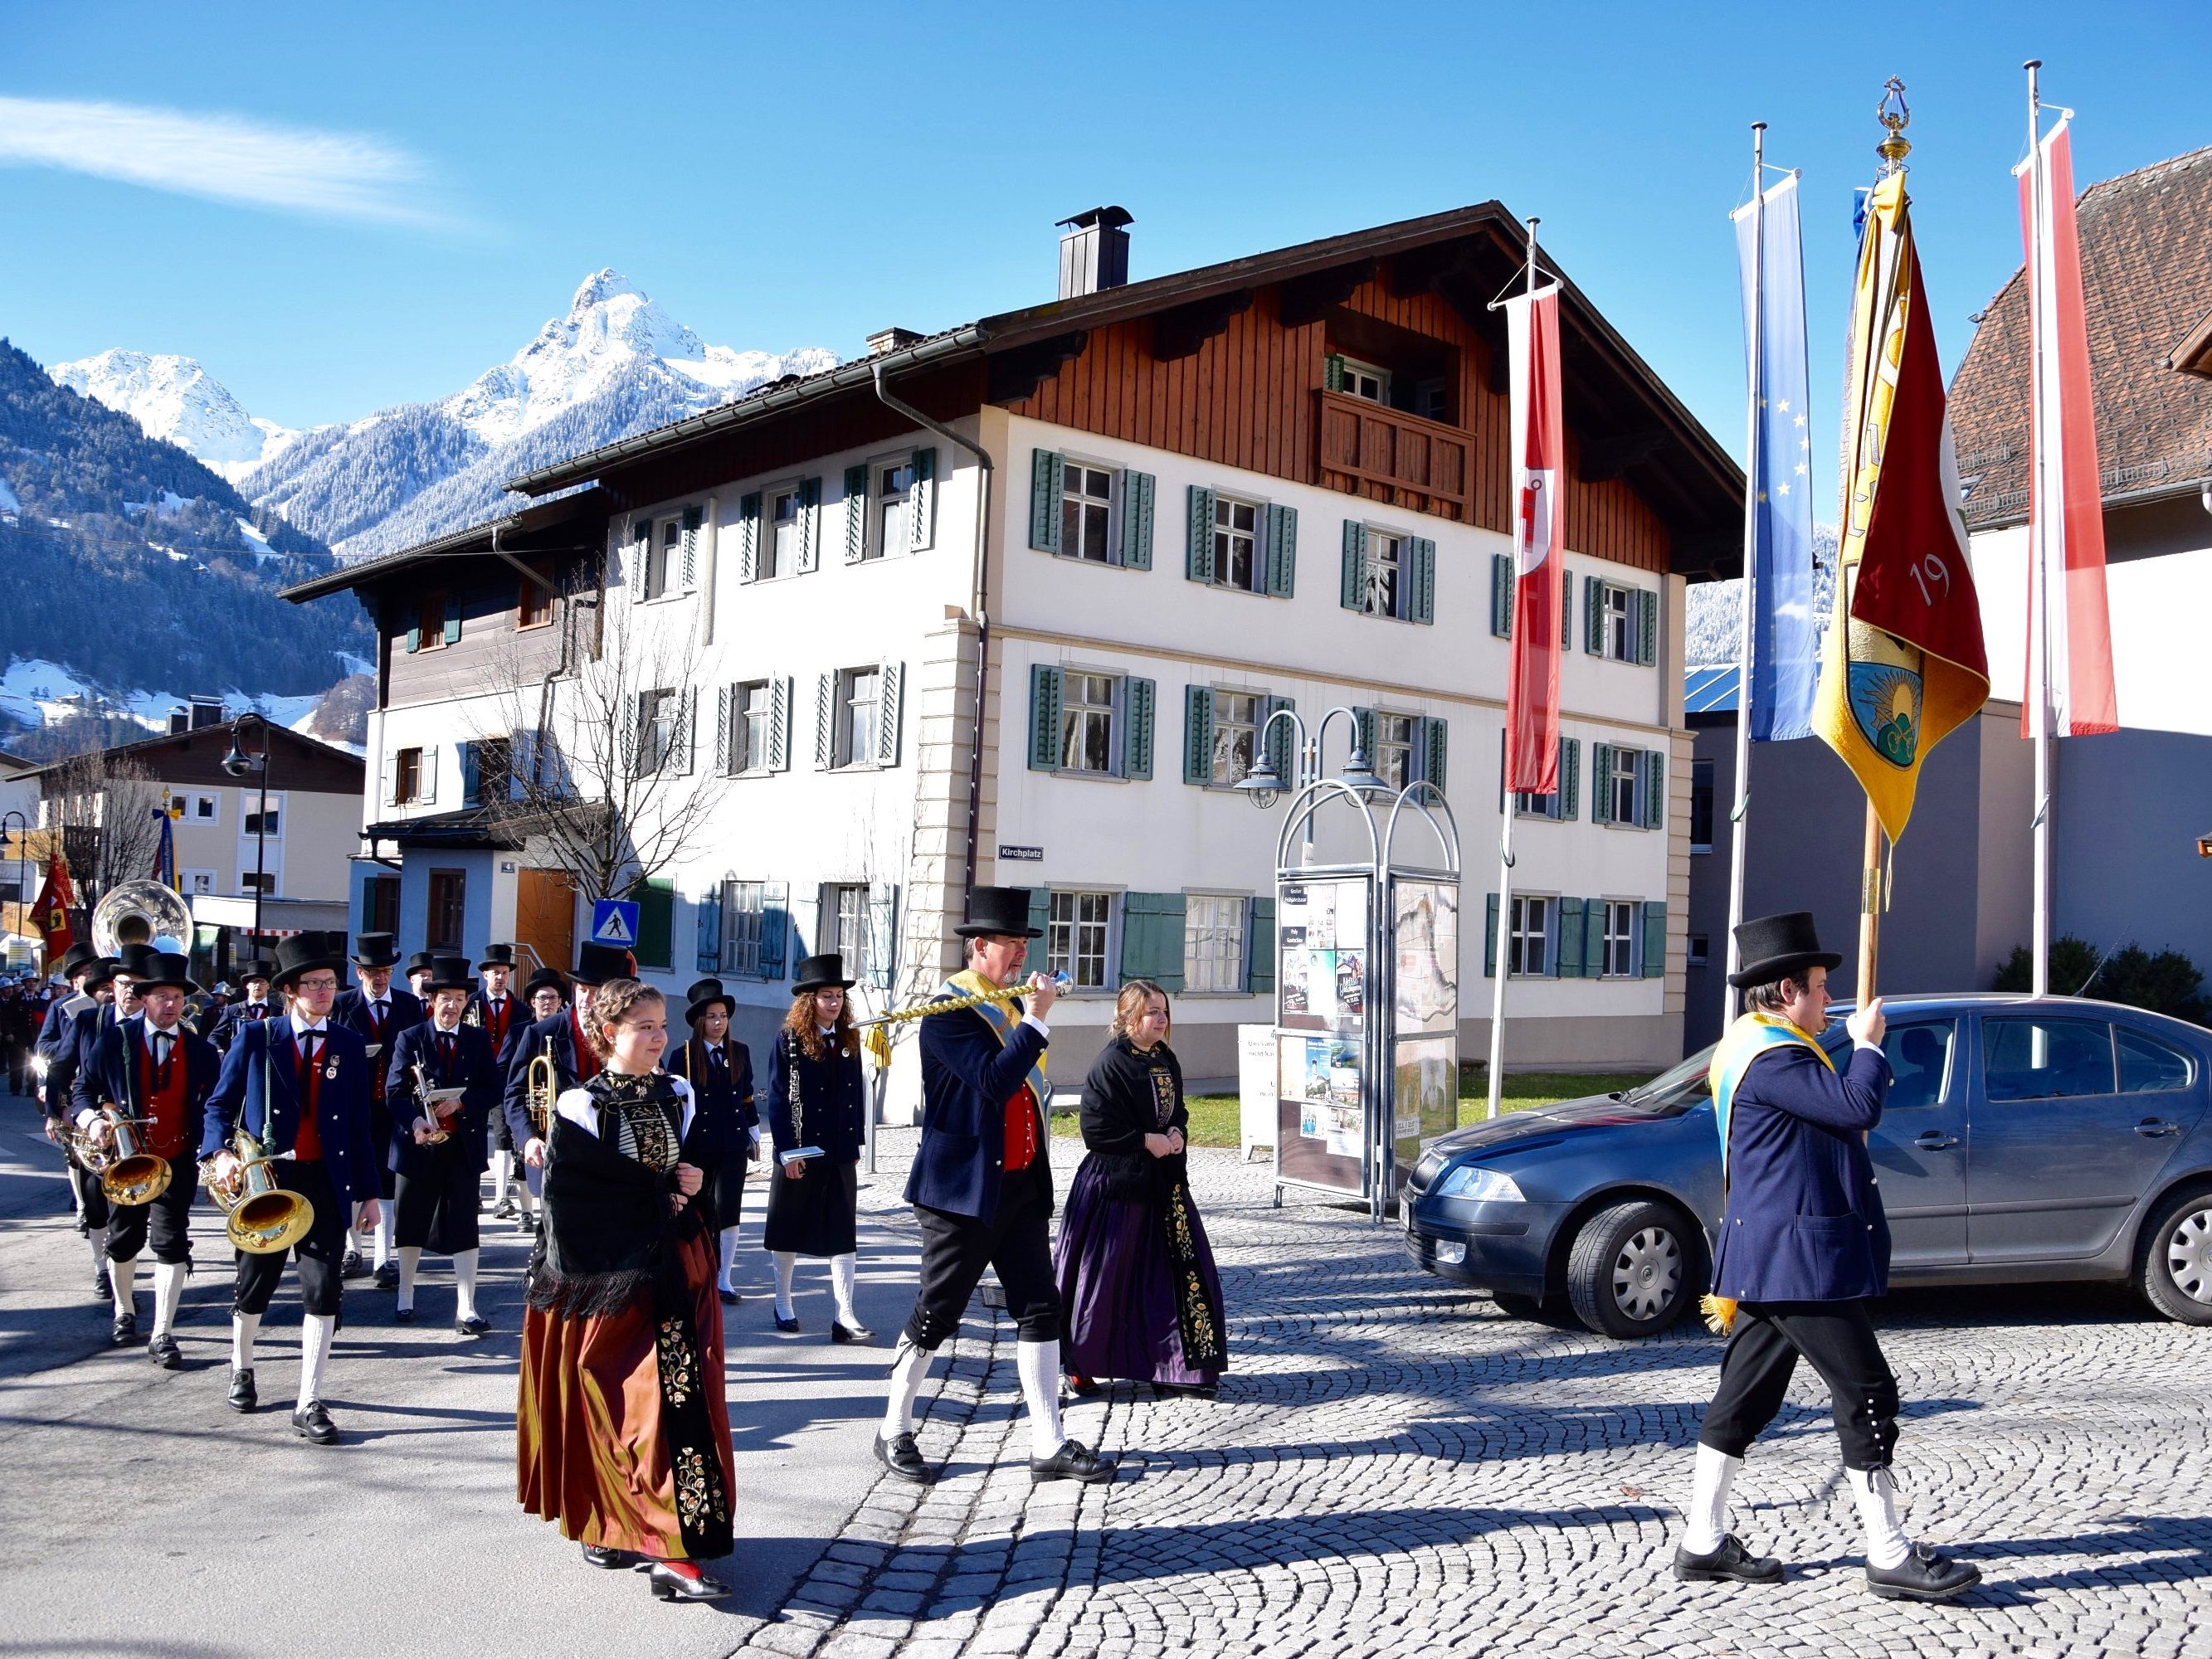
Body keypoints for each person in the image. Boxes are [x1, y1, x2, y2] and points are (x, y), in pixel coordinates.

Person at [1674, 912, 1980, 1603]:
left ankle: (1701, 1540)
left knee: (1744, 1400)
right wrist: (1869, 1046)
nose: (1828, 1000)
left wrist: (1847, 1035)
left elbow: (1819, 1091)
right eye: (1819, 988)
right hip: (1797, 1260)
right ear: (1787, 991)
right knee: (1869, 1395)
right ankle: (1890, 1553)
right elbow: (1854, 1106)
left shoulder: (1762, 1043)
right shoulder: (1772, 1057)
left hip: (1773, 1253)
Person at [877, 887, 1112, 1488]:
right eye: (1011, 945)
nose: (1019, 956)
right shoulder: (948, 1015)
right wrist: (1036, 1017)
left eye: (1023, 945)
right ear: (979, 947)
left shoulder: (1005, 1007)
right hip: (960, 1192)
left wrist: (1026, 1014)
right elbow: (993, 1081)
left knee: (1039, 1308)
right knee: (938, 1313)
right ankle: (893, 1428)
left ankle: (1048, 1443)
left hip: (1019, 1187)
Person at [517, 977, 735, 1602]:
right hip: (610, 1278)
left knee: (674, 1409)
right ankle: (611, 1523)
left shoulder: (681, 1092)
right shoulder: (580, 1107)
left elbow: (688, 1170)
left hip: (675, 1269)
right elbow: (569, 1204)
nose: (659, 1038)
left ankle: (675, 1550)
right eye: (645, 1027)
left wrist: (691, 1180)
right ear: (609, 1033)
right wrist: (656, 1195)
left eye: (662, 1025)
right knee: (621, 1409)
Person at [200, 932, 380, 1444]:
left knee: (325, 1289)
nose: (324, 992)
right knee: (256, 1280)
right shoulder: (256, 1036)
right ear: (290, 991)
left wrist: (368, 1194)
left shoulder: (347, 1042)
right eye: (313, 984)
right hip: (270, 1179)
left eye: (329, 983)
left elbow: (360, 1128)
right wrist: (221, 1153)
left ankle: (309, 1399)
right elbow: (217, 1105)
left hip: (326, 1179)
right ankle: (242, 1364)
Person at [1054, 980, 1227, 1398]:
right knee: (1106, 1279)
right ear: (1129, 1016)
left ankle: (1181, 1368)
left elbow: (1178, 1108)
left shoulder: (1164, 1057)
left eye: (1164, 1011)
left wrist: (1177, 1130)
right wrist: (1146, 1141)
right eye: (1152, 1012)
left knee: (1177, 1275)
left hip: (1164, 1184)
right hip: (1118, 1186)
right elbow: (1095, 1129)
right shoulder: (1111, 1063)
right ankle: (1082, 1362)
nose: (1162, 1019)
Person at [71, 951, 219, 1363]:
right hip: (128, 1161)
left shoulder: (201, 1051)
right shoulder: (115, 1041)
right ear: (146, 999)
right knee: (124, 1240)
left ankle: (163, 1331)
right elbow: (83, 1089)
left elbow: (217, 1105)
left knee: (172, 1244)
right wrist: (93, 1120)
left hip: (177, 1160)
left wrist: (213, 1156)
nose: (169, 1004)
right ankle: (123, 1308)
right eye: (161, 997)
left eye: (175, 997)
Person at [385, 956, 500, 1334]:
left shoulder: (478, 1039)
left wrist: (463, 1102)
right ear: (432, 1000)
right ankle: (405, 1296)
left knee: (465, 1225)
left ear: (467, 1001)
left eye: (458, 997)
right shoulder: (411, 1037)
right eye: (444, 997)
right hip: (419, 1145)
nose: (451, 1005)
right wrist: (415, 1121)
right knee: (411, 1220)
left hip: (461, 1147)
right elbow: (395, 1091)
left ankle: (467, 1307)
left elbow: (494, 1088)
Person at [761, 957, 867, 1338]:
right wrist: (786, 1151)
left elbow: (855, 1092)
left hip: (838, 1149)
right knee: (789, 1226)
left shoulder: (848, 1037)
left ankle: (845, 1315)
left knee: (843, 1231)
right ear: (810, 1000)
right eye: (826, 996)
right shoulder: (788, 1040)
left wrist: (856, 1142)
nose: (834, 1003)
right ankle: (784, 1302)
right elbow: (777, 1097)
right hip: (801, 1148)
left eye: (838, 995)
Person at [504, 944, 631, 1235]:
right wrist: (527, 1139)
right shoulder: (540, 1032)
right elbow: (514, 1093)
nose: (587, 999)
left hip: (611, 1159)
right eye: (582, 989)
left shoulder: (627, 1036)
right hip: (559, 1156)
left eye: (597, 991)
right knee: (559, 1246)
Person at [332, 933, 426, 1287]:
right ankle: (352, 1249)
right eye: (373, 972)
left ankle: (384, 1258)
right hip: (353, 1103)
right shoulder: (343, 1005)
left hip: (393, 1105)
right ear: (360, 974)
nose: (380, 977)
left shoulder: (409, 1005)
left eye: (385, 970)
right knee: (353, 1174)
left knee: (388, 1178)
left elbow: (417, 1053)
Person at [666, 978, 759, 1305]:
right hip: (698, 1147)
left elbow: (746, 1095)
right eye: (711, 1017)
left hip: (733, 1144)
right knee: (699, 1208)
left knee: (729, 1210)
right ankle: (697, 1272)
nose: (718, 1023)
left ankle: (725, 1278)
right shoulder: (683, 1056)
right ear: (698, 1022)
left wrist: (753, 1129)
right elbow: (675, 1104)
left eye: (723, 1016)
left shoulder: (740, 1051)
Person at [470, 944, 524, 1214]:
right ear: (485, 976)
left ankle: (502, 1197)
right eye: (495, 973)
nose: (500, 977)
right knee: (475, 1133)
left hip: (506, 1082)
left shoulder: (521, 1009)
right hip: (476, 1080)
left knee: (503, 1137)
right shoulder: (470, 1004)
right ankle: (475, 1192)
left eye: (504, 972)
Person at [208, 959, 277, 1055]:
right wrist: (219, 1050)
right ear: (247, 985)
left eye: (262, 982)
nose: (258, 985)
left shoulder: (279, 1012)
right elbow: (214, 1036)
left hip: (267, 1065)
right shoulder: (233, 1010)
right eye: (254, 982)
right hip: (240, 1064)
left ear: (268, 986)